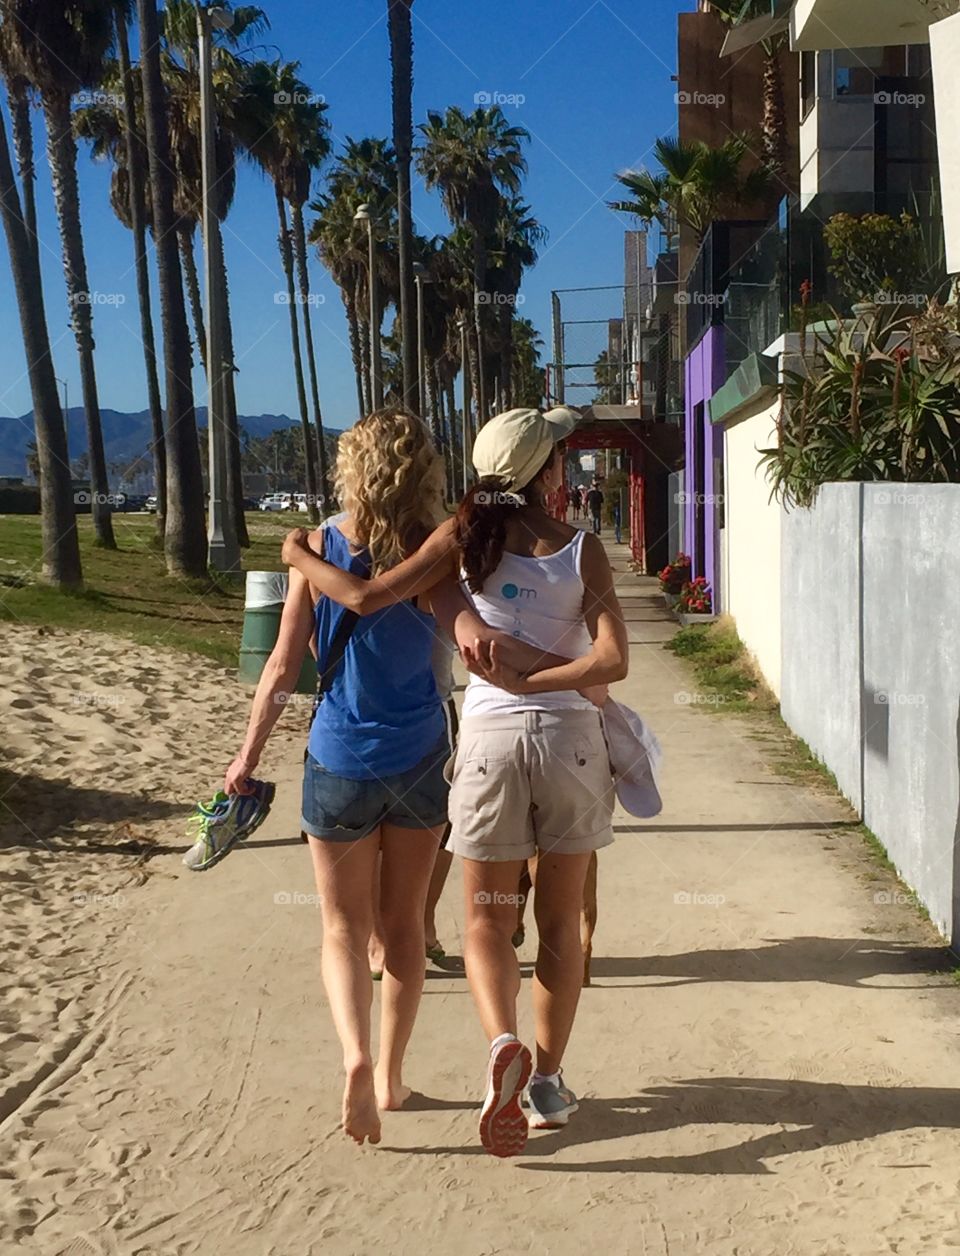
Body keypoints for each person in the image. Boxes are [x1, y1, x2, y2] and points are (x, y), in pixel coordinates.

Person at [282, 406, 629, 1158]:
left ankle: (501, 1040)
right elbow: (611, 663)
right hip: (571, 743)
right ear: (549, 473)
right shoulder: (583, 550)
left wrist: (298, 555)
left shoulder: (456, 541)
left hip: (489, 742)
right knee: (560, 924)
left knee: (484, 920)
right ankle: (545, 1081)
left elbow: (370, 599)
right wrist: (555, 685)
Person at [223, 409, 452, 1147]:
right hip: (419, 759)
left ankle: (352, 1056)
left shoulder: (319, 546)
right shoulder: (433, 549)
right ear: (422, 470)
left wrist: (246, 758)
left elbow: (284, 667)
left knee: (343, 929)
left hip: (339, 758)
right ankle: (389, 1075)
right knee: (405, 927)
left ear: (350, 467)